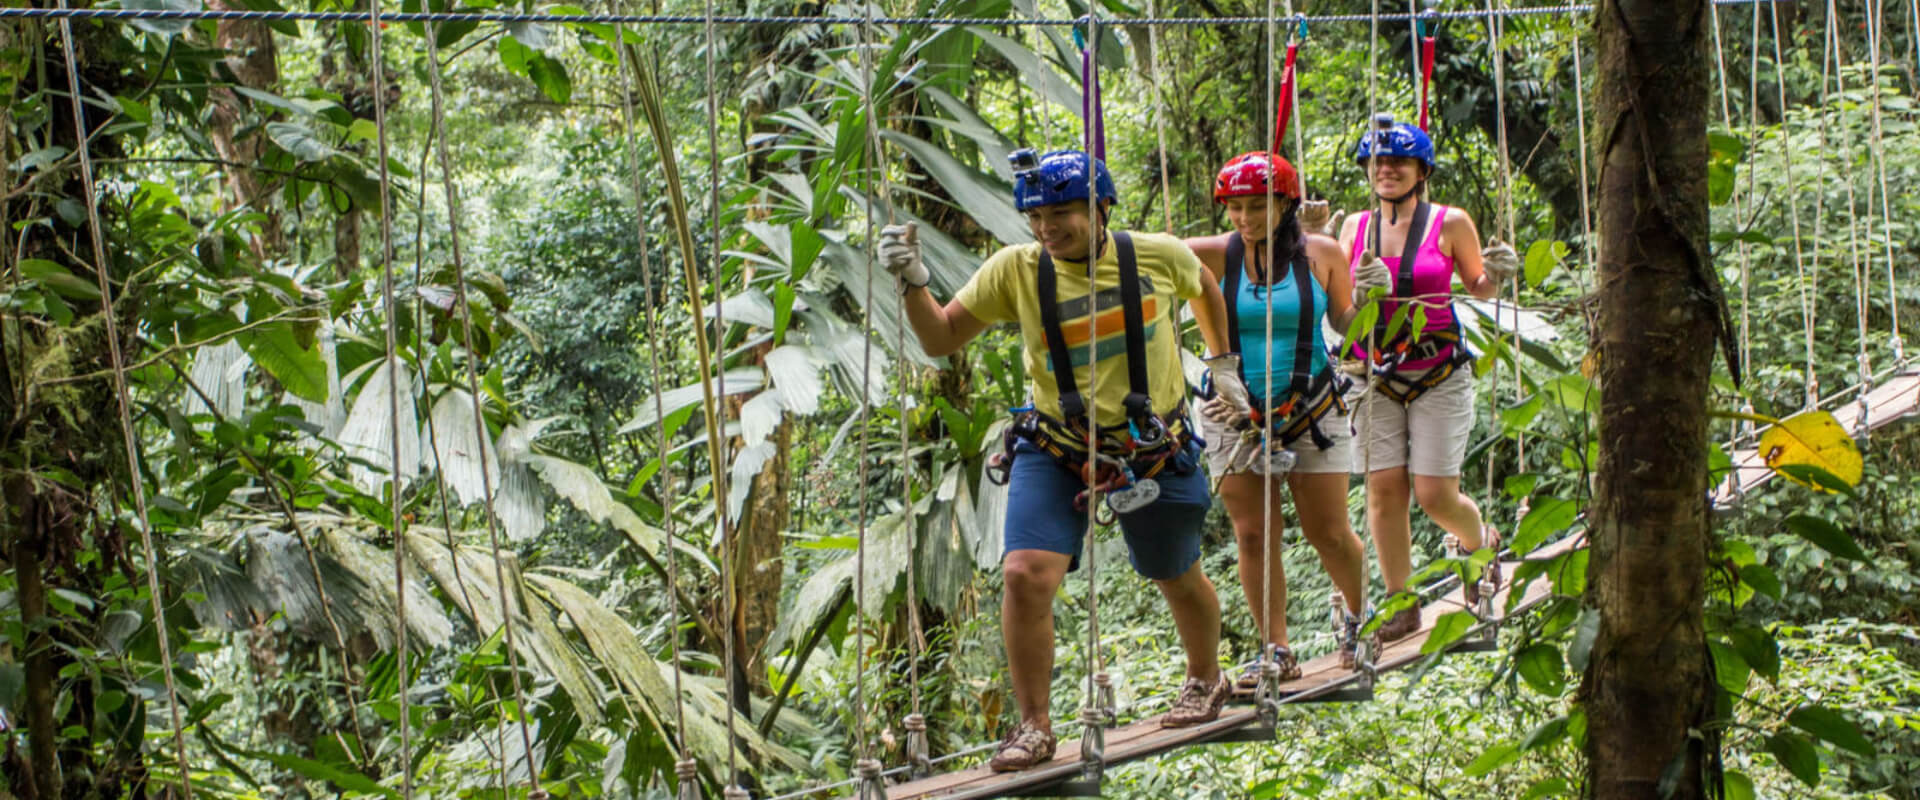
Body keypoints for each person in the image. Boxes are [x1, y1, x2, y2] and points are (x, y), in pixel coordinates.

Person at [877, 149, 1240, 772]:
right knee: (1023, 575)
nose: (1047, 228)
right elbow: (939, 338)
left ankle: (1206, 678)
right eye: (1036, 216)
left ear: (1101, 208)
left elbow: (1205, 285)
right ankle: (1033, 726)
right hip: (1057, 445)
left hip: (1150, 447)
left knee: (1175, 572)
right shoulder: (1013, 271)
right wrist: (913, 283)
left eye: (1063, 213)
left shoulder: (1156, 255)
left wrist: (1222, 361)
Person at [1186, 152, 1384, 683]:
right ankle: (1276, 647)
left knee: (1329, 531)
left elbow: (1346, 323)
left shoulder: (1321, 253)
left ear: (1286, 205)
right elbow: (1140, 258)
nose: (1245, 219)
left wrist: (1371, 300)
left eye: (1258, 206)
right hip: (1235, 413)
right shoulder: (1212, 255)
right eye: (1235, 208)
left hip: (1313, 407)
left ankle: (1361, 617)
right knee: (1253, 534)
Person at [1338, 114, 1521, 642]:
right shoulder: (1354, 228)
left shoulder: (1449, 222)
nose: (1387, 170)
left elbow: (1477, 284)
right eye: (1379, 162)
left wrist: (1498, 272)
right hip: (1372, 374)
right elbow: (1338, 306)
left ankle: (1477, 543)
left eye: (1399, 162)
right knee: (1383, 491)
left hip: (1437, 368)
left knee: (1435, 494)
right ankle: (1401, 602)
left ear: (1422, 170)